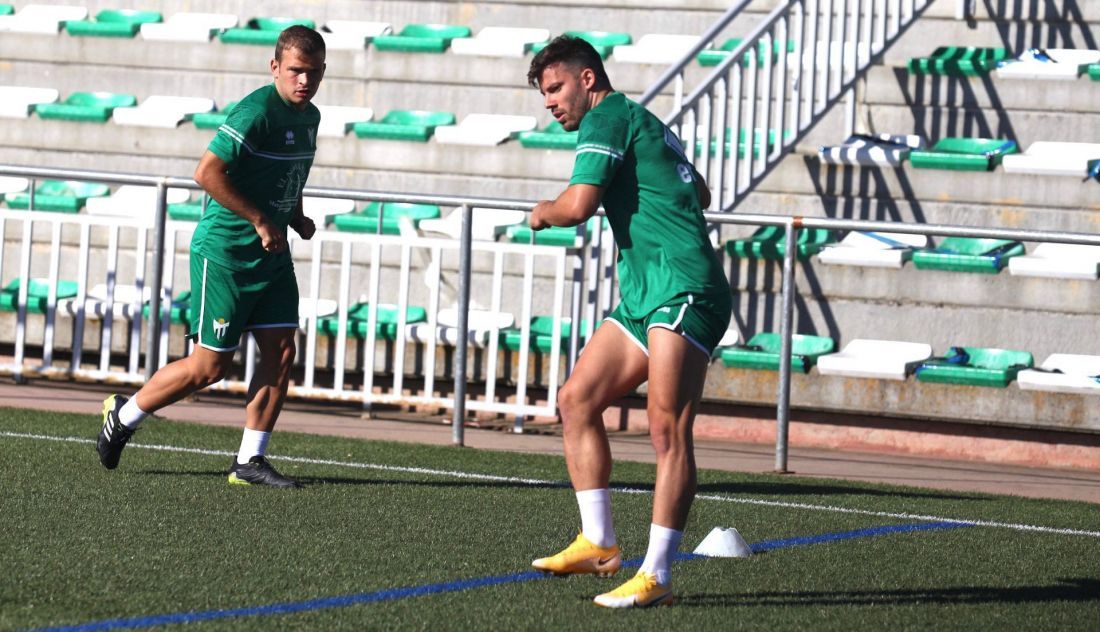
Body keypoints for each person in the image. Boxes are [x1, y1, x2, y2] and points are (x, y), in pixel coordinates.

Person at [526, 36, 732, 608]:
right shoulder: (641, 120)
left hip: (685, 289)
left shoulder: (609, 117)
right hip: (647, 293)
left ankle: (658, 575)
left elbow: (577, 206)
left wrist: (542, 212)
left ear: (588, 79)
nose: (550, 103)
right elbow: (702, 189)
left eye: (555, 88)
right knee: (577, 399)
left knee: (666, 430)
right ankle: (599, 542)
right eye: (545, 94)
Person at [95, 26, 326, 488]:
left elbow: (287, 174)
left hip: (271, 253)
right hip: (226, 254)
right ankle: (125, 414)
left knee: (282, 351)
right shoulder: (255, 112)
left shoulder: (310, 116)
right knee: (209, 368)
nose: (306, 81)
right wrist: (261, 219)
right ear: (275, 67)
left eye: (315, 72)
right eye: (297, 71)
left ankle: (249, 462)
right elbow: (206, 172)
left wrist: (295, 215)